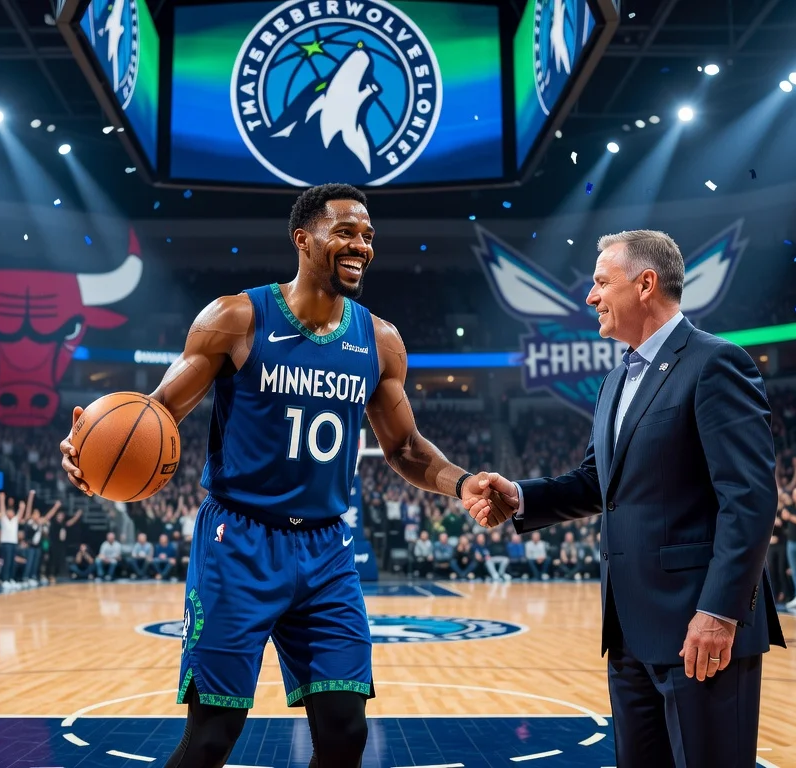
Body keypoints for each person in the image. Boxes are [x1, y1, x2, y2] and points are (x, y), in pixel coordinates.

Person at [61, 184, 492, 768]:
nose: (360, 245)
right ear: (303, 239)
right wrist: (89, 454)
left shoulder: (380, 339)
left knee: (345, 735)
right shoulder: (237, 317)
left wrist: (462, 483)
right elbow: (155, 413)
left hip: (326, 550)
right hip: (238, 541)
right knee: (212, 736)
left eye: (367, 236)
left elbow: (406, 448)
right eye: (345, 232)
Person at [468, 229, 783, 767]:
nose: (589, 298)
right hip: (630, 633)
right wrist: (518, 496)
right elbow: (599, 484)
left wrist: (719, 612)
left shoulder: (715, 363)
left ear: (646, 284)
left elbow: (749, 499)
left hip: (699, 632)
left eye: (599, 283)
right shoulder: (615, 380)